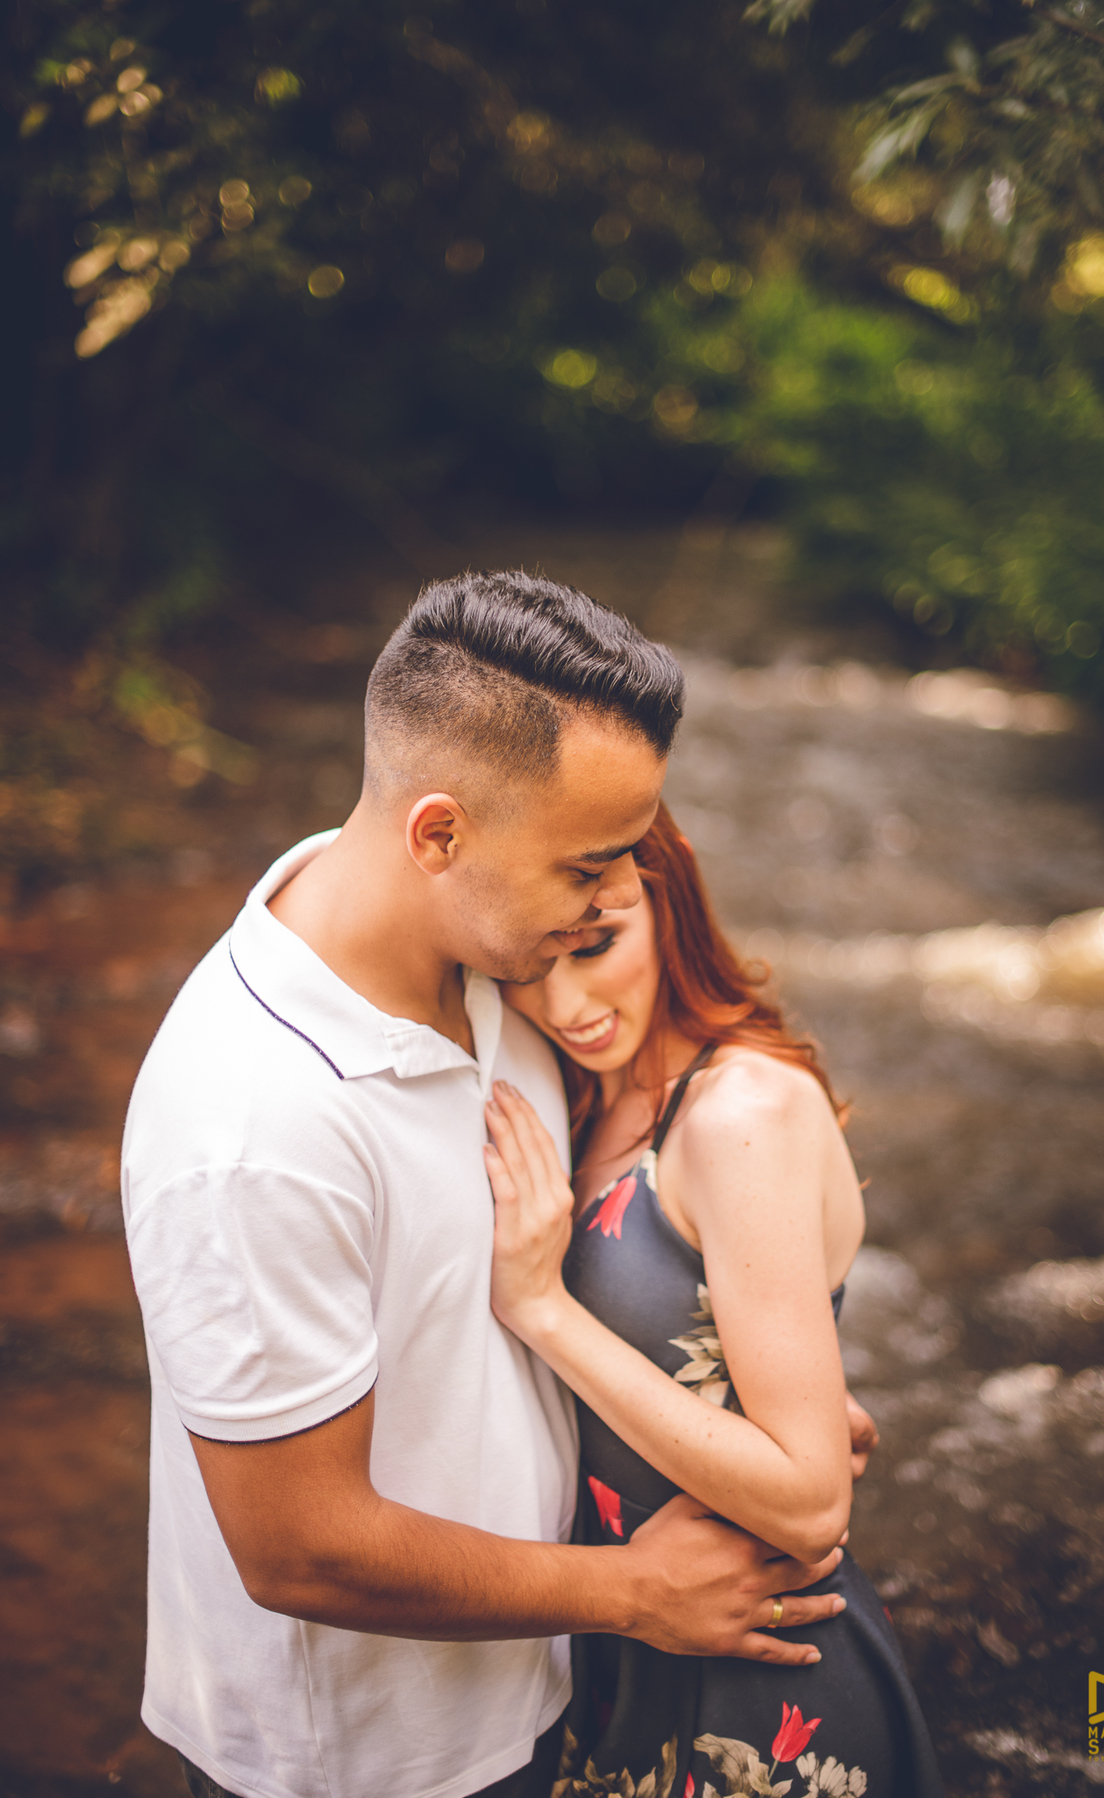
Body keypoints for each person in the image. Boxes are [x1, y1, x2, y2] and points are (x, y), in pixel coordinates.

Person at [120, 572, 853, 1798]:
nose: (604, 907)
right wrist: (634, 1593)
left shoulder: (489, 963)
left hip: (538, 1692)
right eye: (585, 869)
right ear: (438, 833)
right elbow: (300, 1548)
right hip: (369, 1760)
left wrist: (740, 1422)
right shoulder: (249, 1123)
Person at [485, 803, 945, 1798]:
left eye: (595, 946)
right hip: (621, 1644)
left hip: (760, 1683)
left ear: (668, 898)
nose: (563, 1000)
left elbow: (814, 1498)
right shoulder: (589, 1092)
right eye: (526, 965)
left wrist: (542, 1310)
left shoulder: (740, 1113)